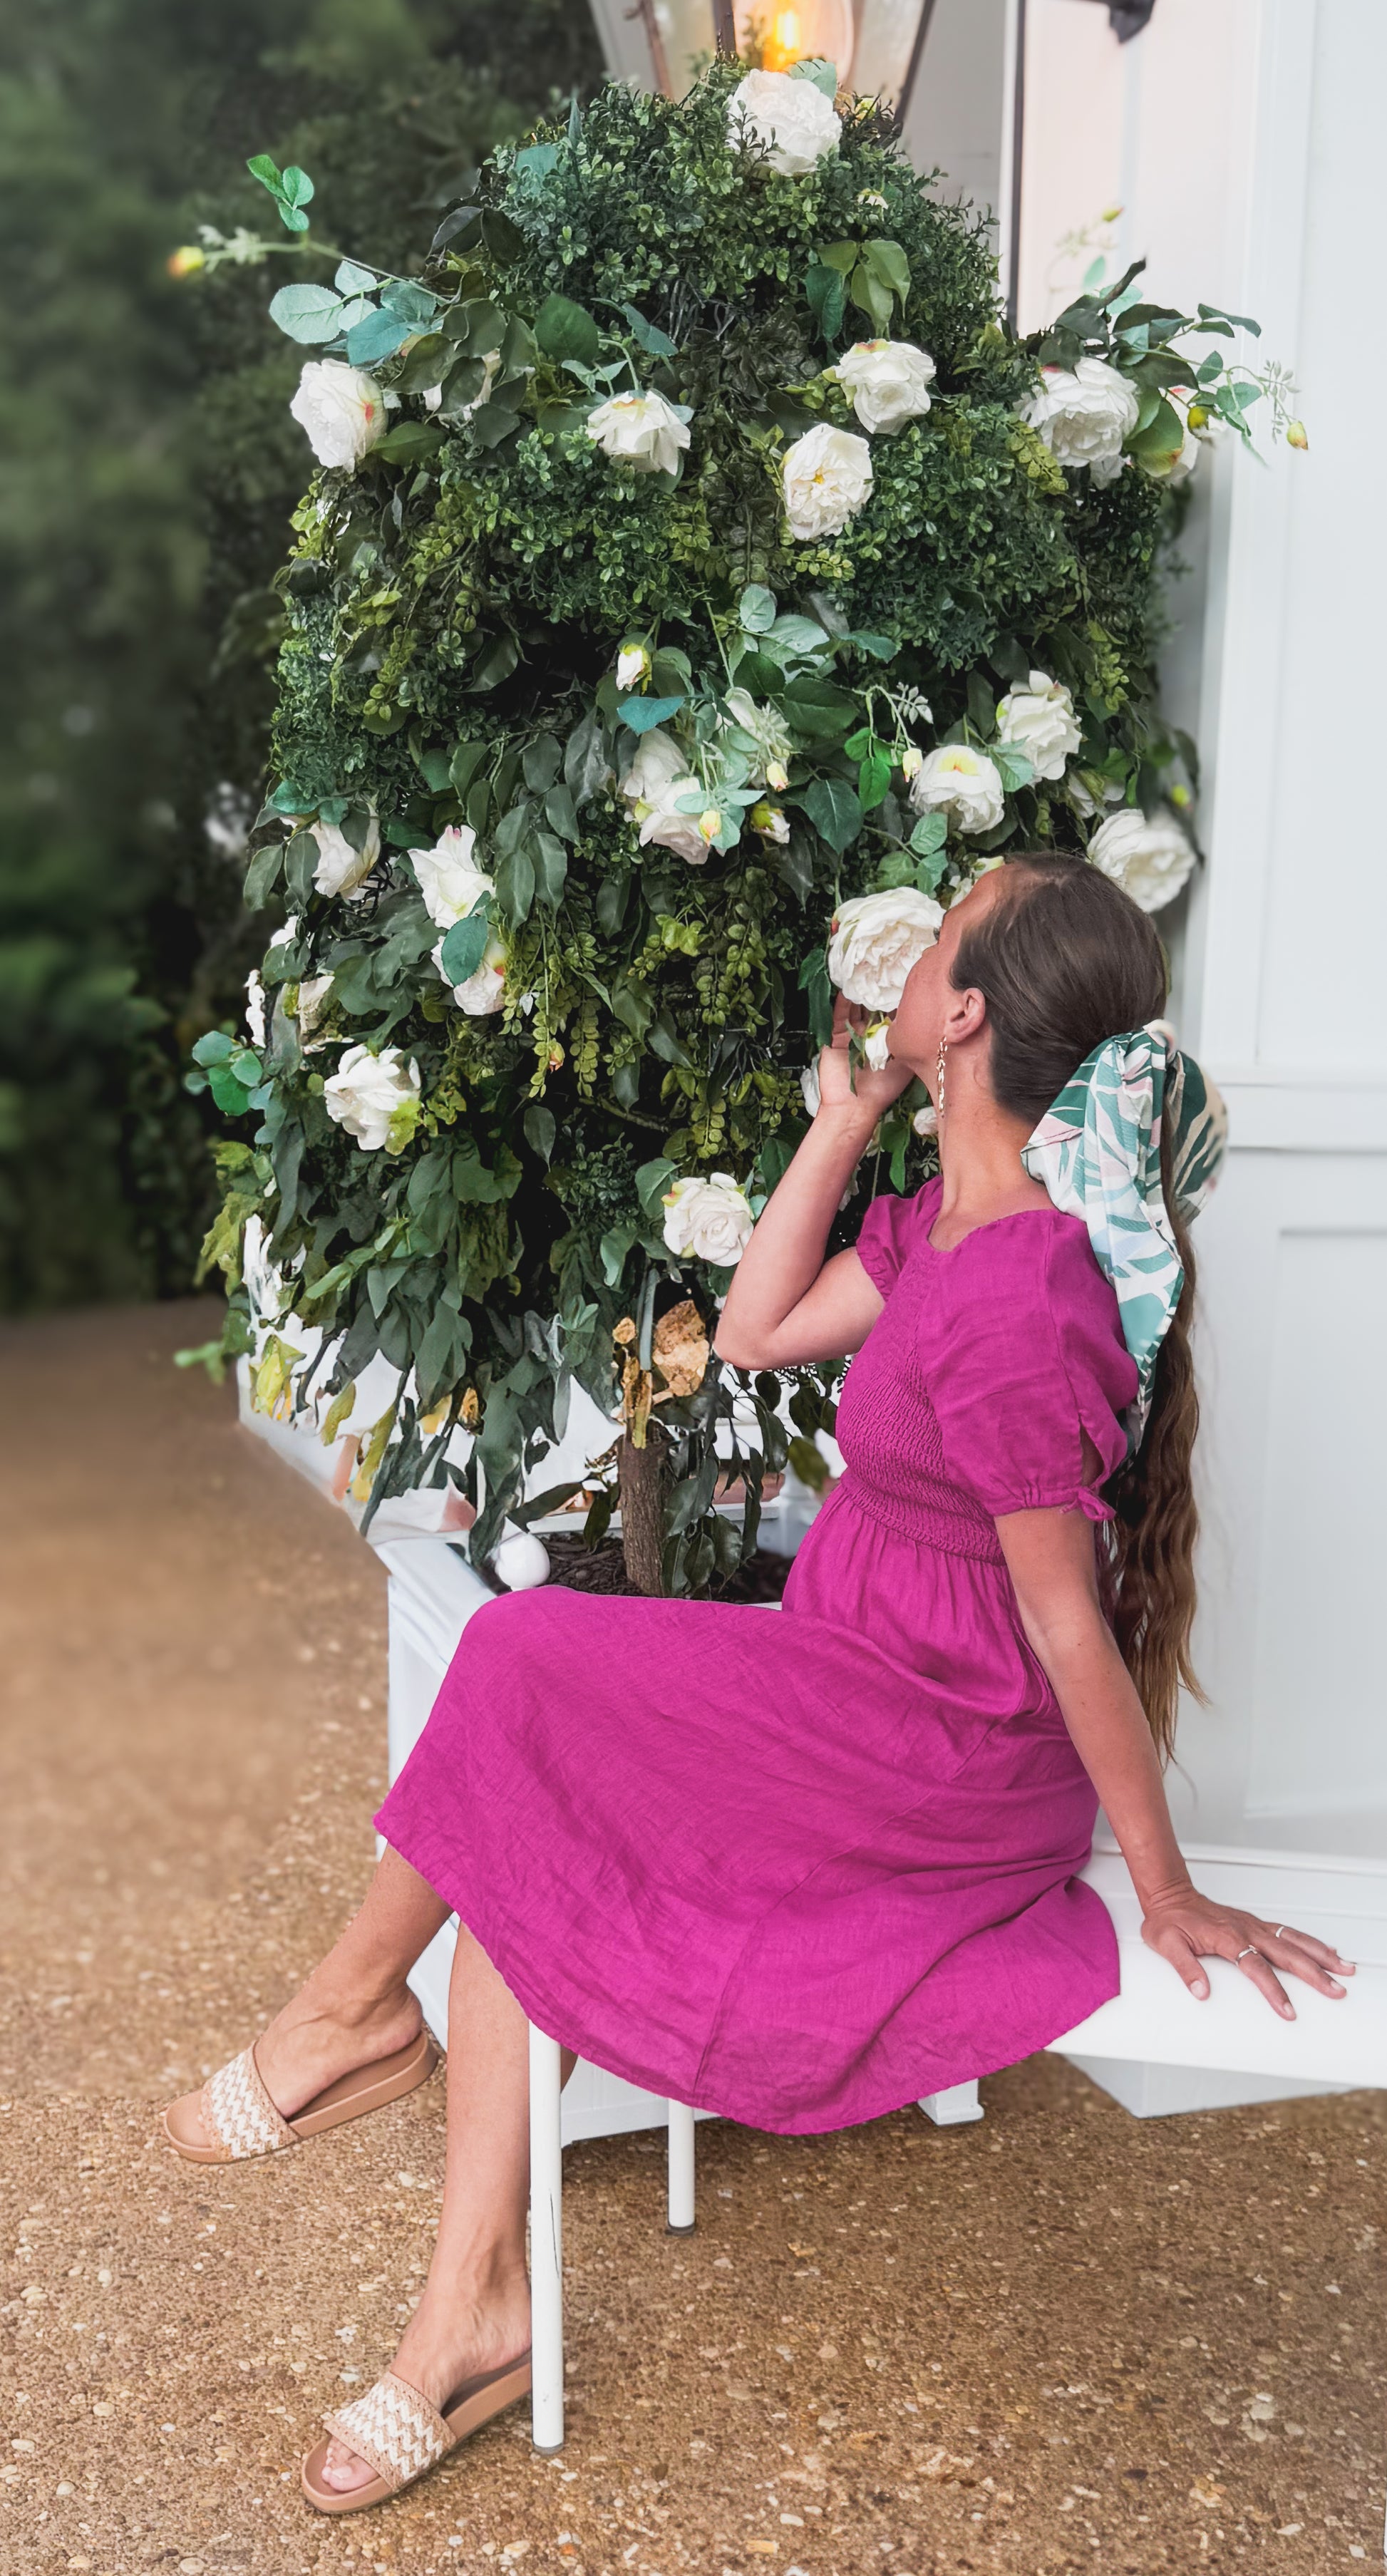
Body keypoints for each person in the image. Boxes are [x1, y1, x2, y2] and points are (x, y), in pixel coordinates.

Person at [162, 852, 1353, 2517]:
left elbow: (1065, 1624)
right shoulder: (957, 1224)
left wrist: (1160, 1884)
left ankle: (353, 2019)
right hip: (846, 1673)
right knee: (533, 1823)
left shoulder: (1023, 1296)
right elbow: (755, 1327)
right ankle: (466, 2313)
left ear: (966, 1010)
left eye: (942, 932)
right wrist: (853, 1112)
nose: (914, 938)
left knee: (519, 1657)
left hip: (935, 1750)